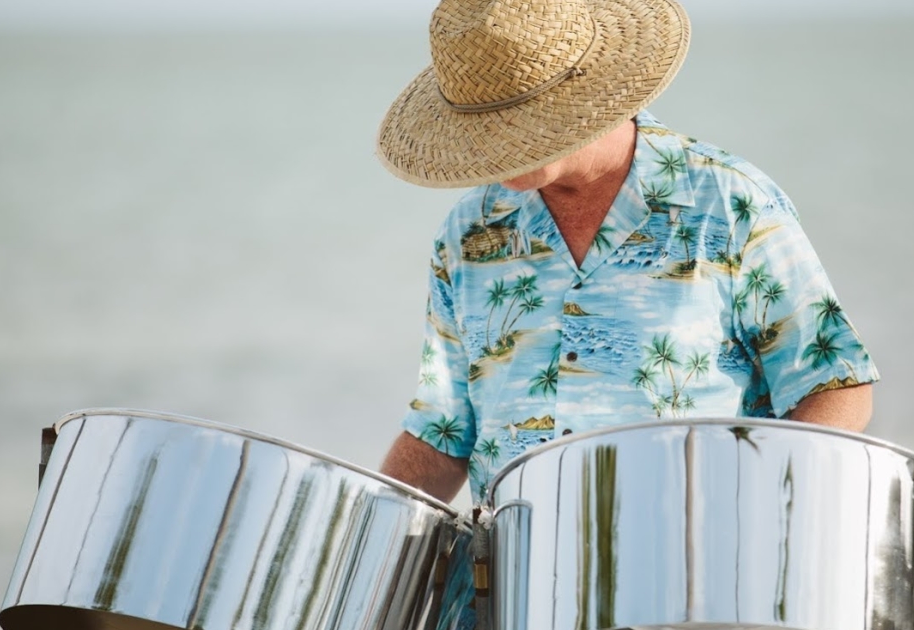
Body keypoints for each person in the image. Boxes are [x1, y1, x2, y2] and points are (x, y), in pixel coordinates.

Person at [375, 0, 878, 507]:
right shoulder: (468, 231)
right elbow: (442, 432)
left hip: (699, 547)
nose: (493, 152)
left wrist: (761, 509)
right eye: (483, 131)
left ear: (579, 95)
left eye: (509, 126)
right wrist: (370, 532)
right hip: (513, 555)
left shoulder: (728, 203)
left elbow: (833, 384)